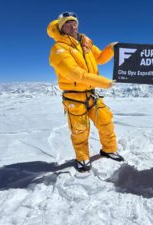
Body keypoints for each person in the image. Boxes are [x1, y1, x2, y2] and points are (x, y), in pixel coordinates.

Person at [47, 12, 124, 172]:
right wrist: (104, 83)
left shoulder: (85, 43)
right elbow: (75, 74)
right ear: (61, 27)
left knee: (106, 121)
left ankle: (109, 149)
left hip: (91, 94)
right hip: (74, 97)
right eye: (67, 24)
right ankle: (82, 158)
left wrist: (111, 48)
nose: (72, 26)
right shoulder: (58, 49)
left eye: (74, 23)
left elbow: (100, 58)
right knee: (79, 130)